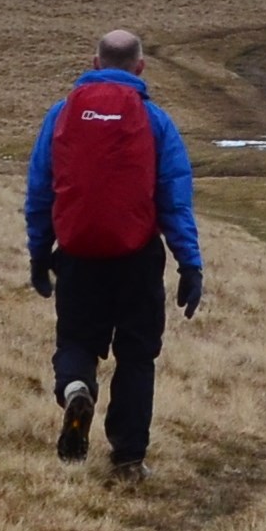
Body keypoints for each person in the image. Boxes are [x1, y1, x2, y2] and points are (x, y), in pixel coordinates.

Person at [23, 27, 205, 475]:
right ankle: (127, 459)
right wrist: (190, 264)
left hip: (78, 255)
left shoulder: (61, 115)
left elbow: (41, 190)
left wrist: (39, 253)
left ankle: (76, 390)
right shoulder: (156, 120)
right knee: (137, 355)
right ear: (140, 67)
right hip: (137, 258)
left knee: (77, 341)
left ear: (95, 62)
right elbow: (173, 199)